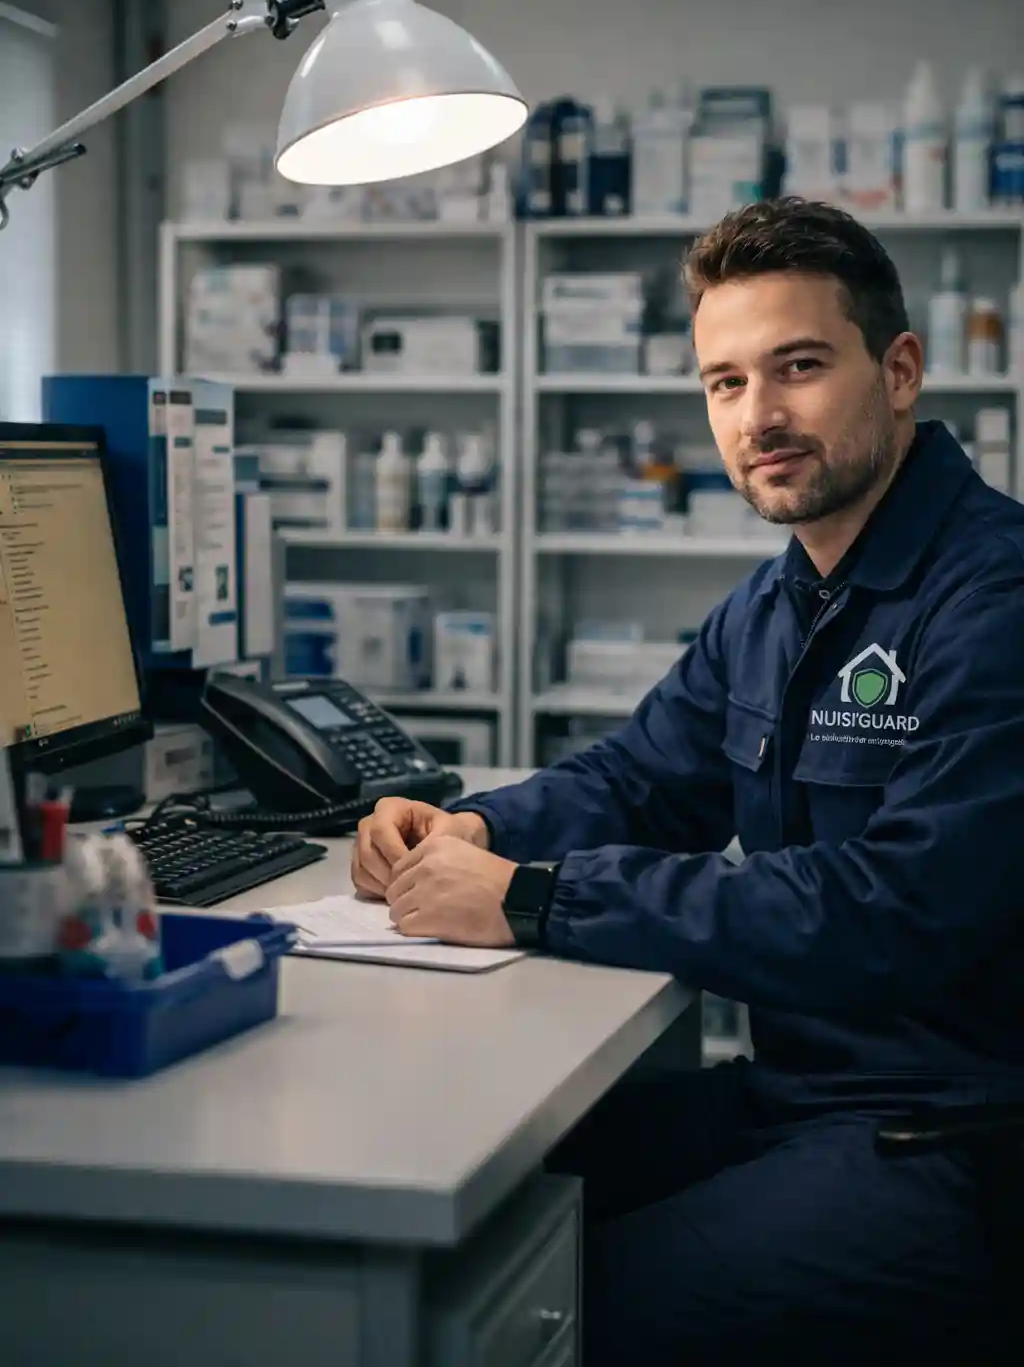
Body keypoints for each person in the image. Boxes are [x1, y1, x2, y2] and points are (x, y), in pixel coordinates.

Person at [352, 197, 1024, 1364]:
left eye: (798, 367)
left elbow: (890, 909)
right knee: (460, 1200)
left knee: (543, 1307)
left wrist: (529, 896)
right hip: (803, 1096)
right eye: (723, 382)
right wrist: (463, 825)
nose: (758, 417)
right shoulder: (782, 600)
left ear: (900, 369)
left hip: (955, 1141)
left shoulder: (992, 598)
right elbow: (644, 778)